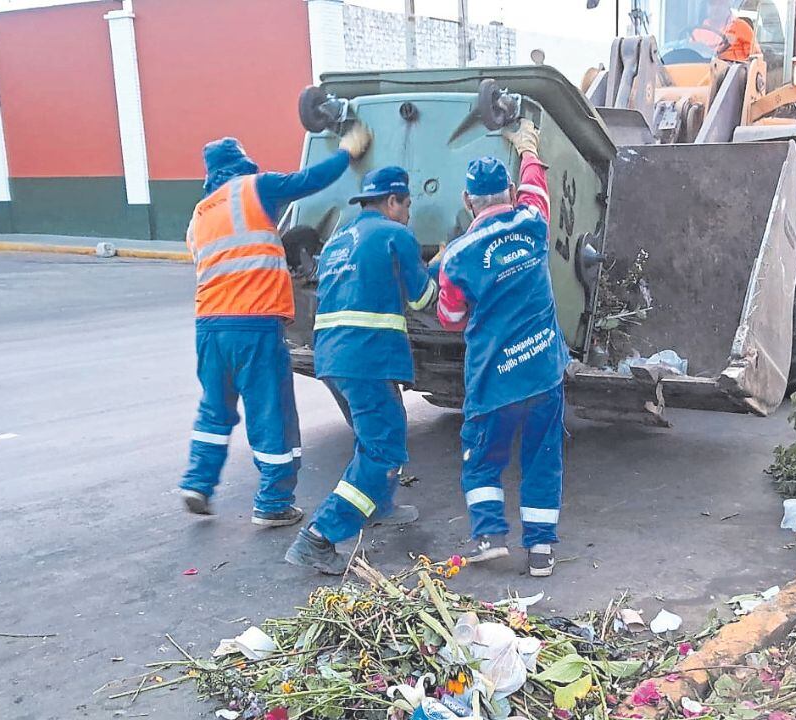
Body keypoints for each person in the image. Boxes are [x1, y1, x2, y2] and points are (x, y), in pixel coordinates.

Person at [179, 123, 372, 526]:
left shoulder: (199, 216)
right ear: (241, 165)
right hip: (254, 324)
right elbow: (309, 180)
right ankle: (273, 502)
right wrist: (346, 153)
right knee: (272, 412)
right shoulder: (253, 189)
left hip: (209, 326)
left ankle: (197, 482)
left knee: (215, 410)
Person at [284, 166, 439, 574]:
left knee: (376, 436)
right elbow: (423, 300)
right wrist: (439, 264)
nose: (408, 213)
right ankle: (319, 537)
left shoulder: (338, 241)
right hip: (369, 358)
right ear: (392, 202)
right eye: (406, 205)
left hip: (333, 359)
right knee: (383, 448)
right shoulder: (396, 235)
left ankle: (380, 504)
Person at [437, 119, 568, 578]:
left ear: (467, 200)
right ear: (509, 192)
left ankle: (490, 536)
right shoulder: (532, 222)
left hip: (493, 378)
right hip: (543, 372)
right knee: (542, 459)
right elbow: (537, 185)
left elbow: (450, 319)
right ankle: (541, 552)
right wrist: (528, 148)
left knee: (483, 458)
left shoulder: (458, 255)